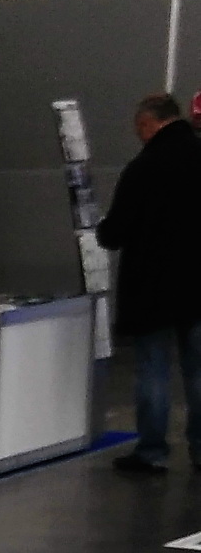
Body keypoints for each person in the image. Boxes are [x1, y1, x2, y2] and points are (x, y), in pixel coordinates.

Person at [98, 93, 201, 474]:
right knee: (198, 372)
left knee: (153, 371)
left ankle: (153, 452)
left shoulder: (144, 167)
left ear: (147, 123)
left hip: (151, 287)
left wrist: (101, 231)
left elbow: (116, 231)